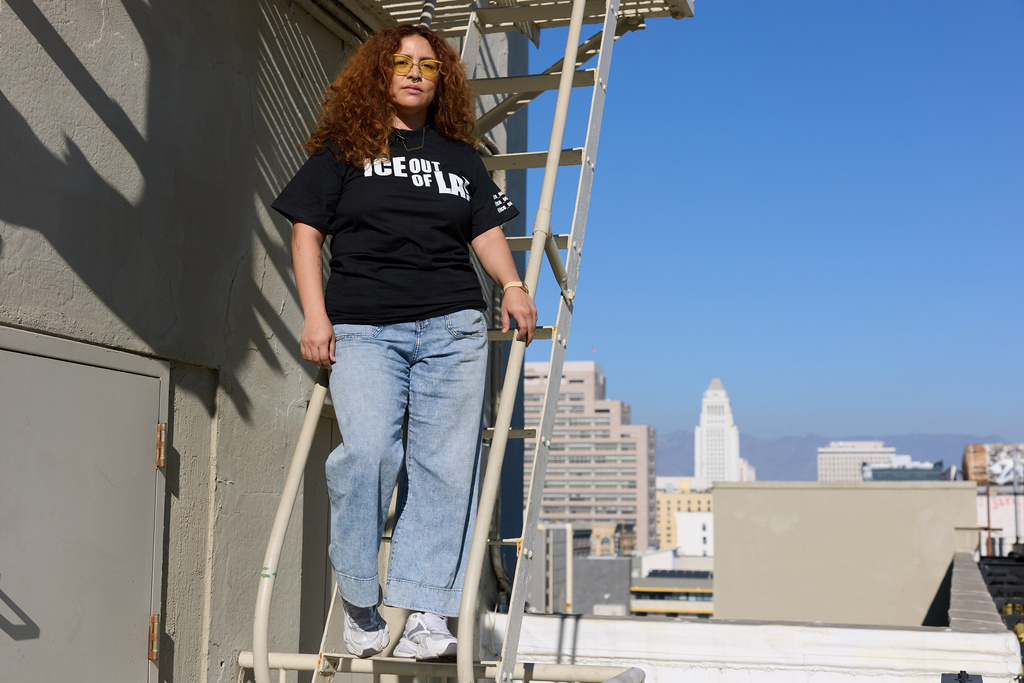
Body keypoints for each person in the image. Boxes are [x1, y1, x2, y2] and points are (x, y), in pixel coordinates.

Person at [271, 24, 536, 660]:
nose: (415, 72)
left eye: (428, 65)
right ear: (379, 73)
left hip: (453, 328)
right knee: (367, 455)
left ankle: (426, 616)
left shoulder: (460, 157)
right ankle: (361, 601)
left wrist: (512, 284)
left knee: (445, 468)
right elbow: (306, 234)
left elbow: (484, 232)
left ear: (442, 80)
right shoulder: (343, 149)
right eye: (402, 62)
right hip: (364, 329)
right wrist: (315, 316)